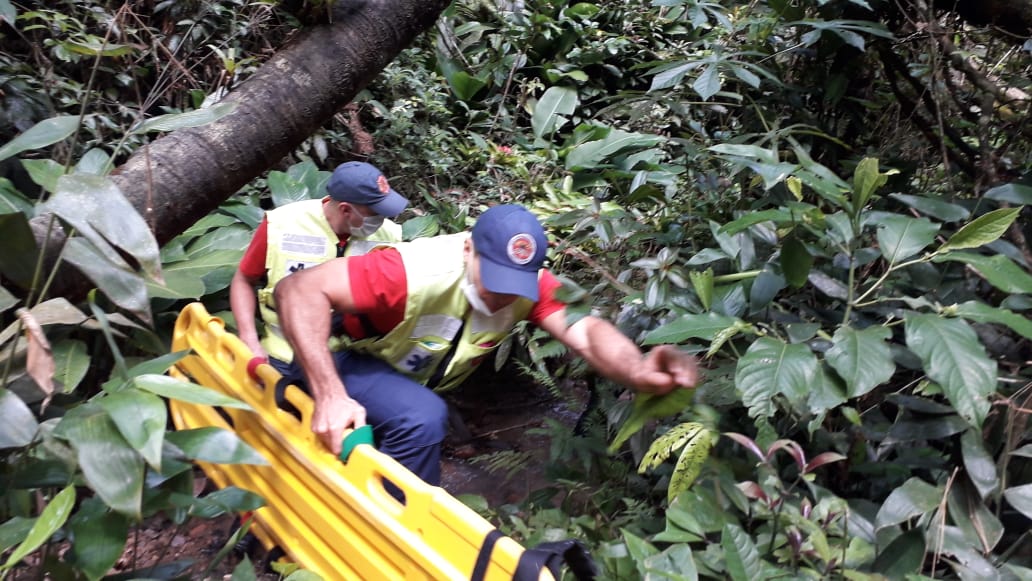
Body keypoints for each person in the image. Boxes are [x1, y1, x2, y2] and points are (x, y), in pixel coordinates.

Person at [273, 204, 700, 485]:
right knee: (422, 418)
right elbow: (296, 291)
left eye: (514, 286)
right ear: (467, 248)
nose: (501, 297)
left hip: (399, 379)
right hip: (338, 361)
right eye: (493, 279)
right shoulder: (409, 272)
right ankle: (388, 529)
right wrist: (329, 394)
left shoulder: (530, 287)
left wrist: (638, 369)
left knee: (426, 419)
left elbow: (587, 332)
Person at [230, 161, 409, 376]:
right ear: (345, 209)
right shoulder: (282, 224)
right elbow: (244, 279)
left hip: (354, 355)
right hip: (284, 354)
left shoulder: (389, 237)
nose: (382, 220)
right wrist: (249, 338)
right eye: (375, 213)